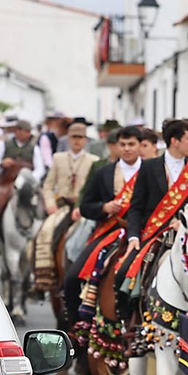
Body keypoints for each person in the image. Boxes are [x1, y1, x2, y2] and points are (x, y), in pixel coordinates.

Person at [64, 125, 146, 335]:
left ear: (140, 146)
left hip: (145, 232)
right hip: (109, 231)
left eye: (131, 144)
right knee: (72, 277)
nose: (127, 149)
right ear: (116, 146)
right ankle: (77, 329)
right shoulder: (104, 173)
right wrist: (104, 207)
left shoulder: (151, 171)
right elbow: (86, 206)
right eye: (123, 144)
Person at [119, 118, 188, 285]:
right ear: (175, 141)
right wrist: (133, 237)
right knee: (123, 274)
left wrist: (185, 223)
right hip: (153, 235)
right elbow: (136, 207)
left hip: (186, 237)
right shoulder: (148, 167)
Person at [34, 122, 100, 290]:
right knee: (46, 231)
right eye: (74, 138)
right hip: (62, 206)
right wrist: (50, 205)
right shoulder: (58, 158)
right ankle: (46, 277)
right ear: (68, 139)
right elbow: (48, 185)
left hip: (83, 208)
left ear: (85, 140)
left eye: (81, 138)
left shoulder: (94, 160)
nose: (77, 141)